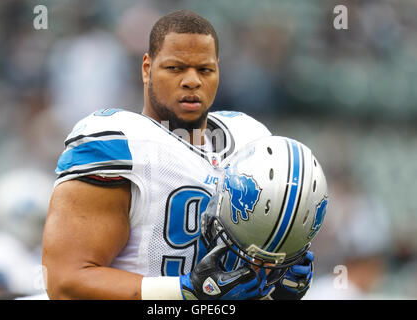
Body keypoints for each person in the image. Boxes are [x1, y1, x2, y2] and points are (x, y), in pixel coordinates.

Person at [42, 9, 314, 300]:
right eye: (175, 68)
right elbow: (66, 283)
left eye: (204, 70)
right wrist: (184, 291)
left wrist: (275, 286)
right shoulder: (120, 141)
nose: (192, 81)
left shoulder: (251, 141)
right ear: (147, 68)